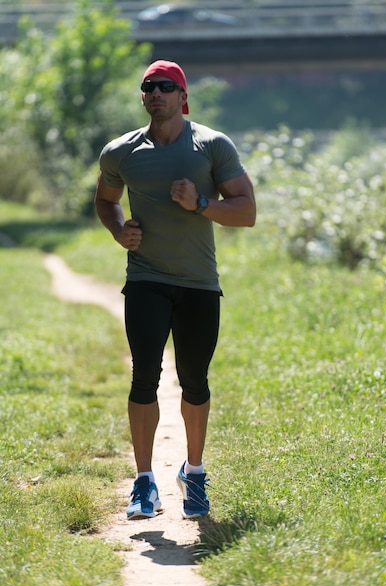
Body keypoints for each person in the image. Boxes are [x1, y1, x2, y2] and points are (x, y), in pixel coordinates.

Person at [94, 59, 256, 520]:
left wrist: (201, 203)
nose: (156, 93)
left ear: (182, 97)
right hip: (145, 278)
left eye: (166, 86)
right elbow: (105, 201)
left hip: (198, 284)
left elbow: (246, 211)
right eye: (149, 87)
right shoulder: (121, 152)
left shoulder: (211, 145)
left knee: (195, 381)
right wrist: (118, 229)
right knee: (143, 375)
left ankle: (195, 473)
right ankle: (144, 482)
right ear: (142, 96)